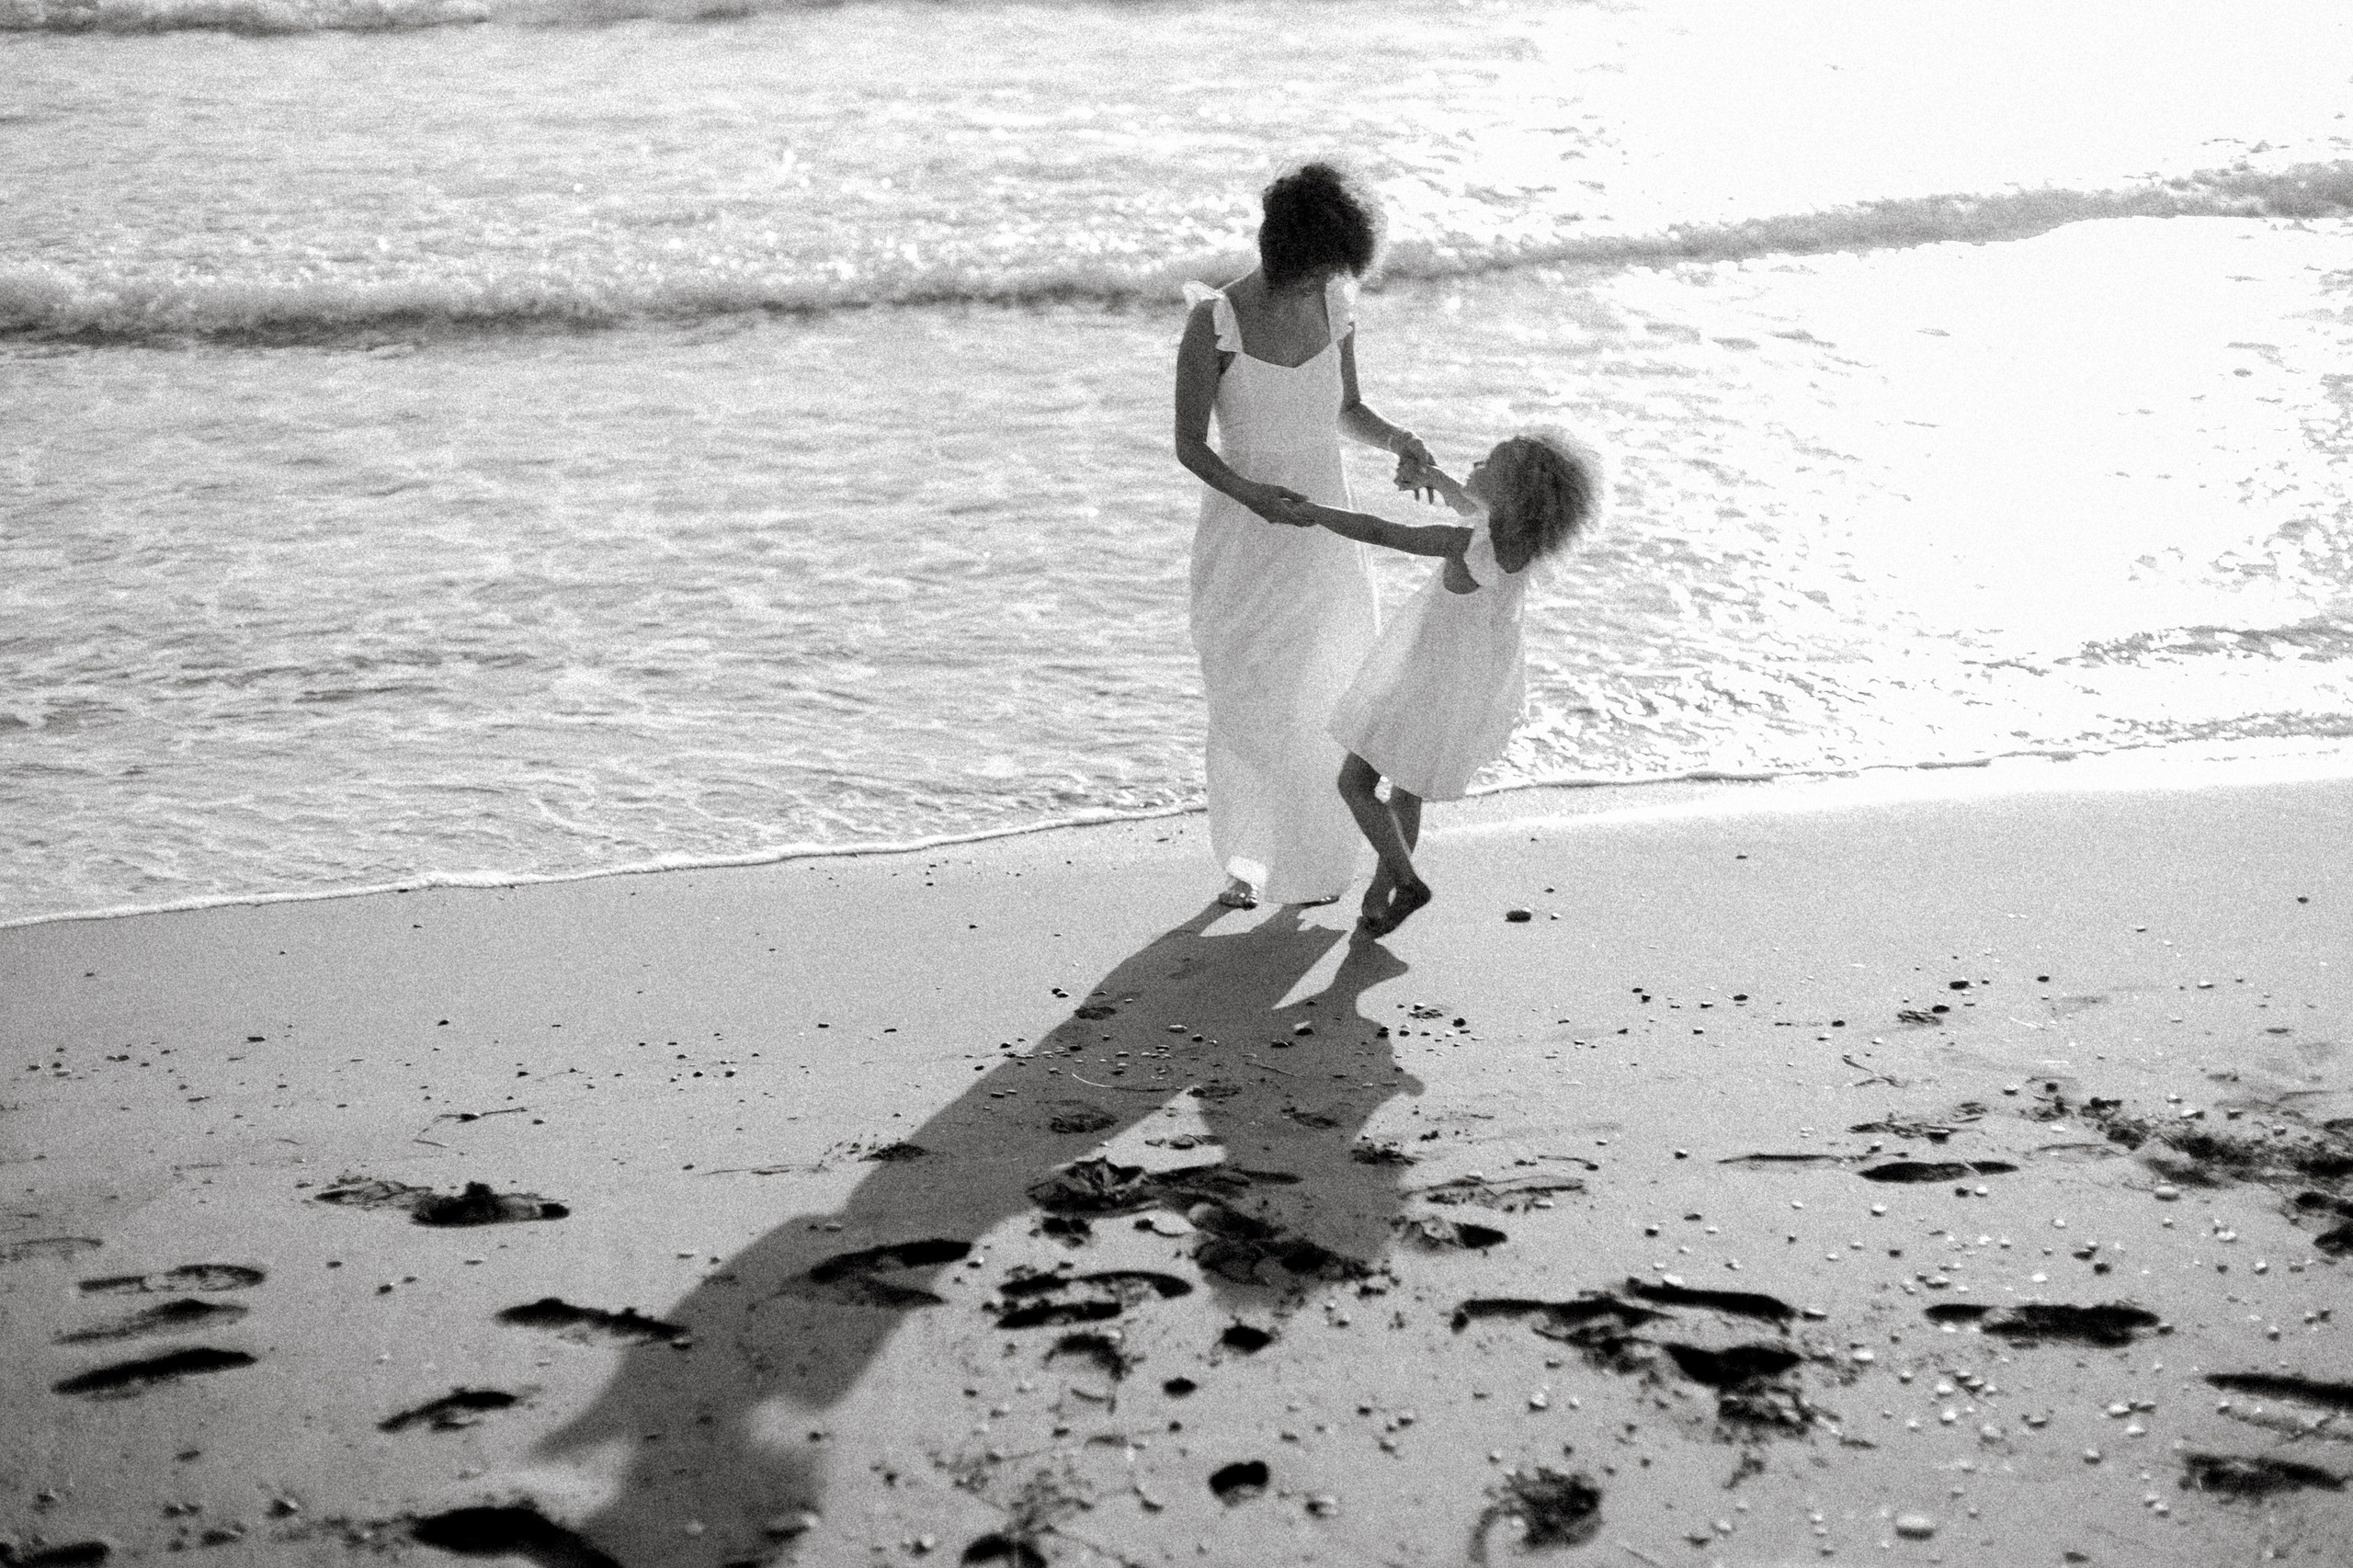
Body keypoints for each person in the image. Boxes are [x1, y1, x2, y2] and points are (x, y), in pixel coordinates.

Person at [1175, 161, 1433, 909]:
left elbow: (1347, 409)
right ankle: (1247, 862)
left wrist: (1399, 442)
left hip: (1327, 529)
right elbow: (1190, 444)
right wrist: (1254, 496)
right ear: (1293, 246)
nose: (1332, 275)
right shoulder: (1213, 322)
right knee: (1247, 695)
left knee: (1328, 689)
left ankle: (1315, 865)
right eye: (1324, 261)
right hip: (1245, 534)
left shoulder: (1334, 304)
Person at [1297, 429, 1607, 935]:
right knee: (1407, 792)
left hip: (1419, 685)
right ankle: (1380, 896)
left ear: (1509, 495)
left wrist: (1314, 513)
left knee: (1353, 784)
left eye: (1489, 463)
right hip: (1460, 692)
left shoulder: (1464, 542)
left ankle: (1407, 881)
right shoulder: (1519, 546)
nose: (1477, 462)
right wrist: (1434, 477)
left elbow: (1382, 532)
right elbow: (1470, 501)